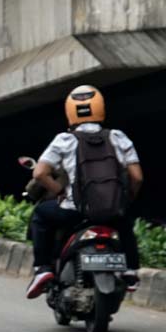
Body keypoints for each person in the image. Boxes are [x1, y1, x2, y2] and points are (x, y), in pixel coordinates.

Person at [26, 85, 143, 299]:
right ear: (100, 108)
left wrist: (59, 190)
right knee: (125, 222)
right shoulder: (117, 137)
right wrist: (125, 200)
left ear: (70, 111)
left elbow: (40, 173)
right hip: (113, 211)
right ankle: (130, 270)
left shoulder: (65, 140)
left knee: (41, 215)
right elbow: (137, 177)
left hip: (74, 210)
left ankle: (42, 268)